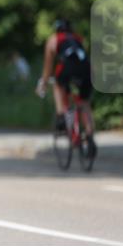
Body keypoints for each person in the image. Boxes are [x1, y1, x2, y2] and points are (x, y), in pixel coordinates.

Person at [37, 18, 95, 154]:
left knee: (58, 84)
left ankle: (61, 116)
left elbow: (48, 66)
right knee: (84, 102)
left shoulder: (54, 39)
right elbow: (84, 57)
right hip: (86, 69)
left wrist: (44, 83)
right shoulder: (78, 38)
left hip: (68, 66)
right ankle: (90, 136)